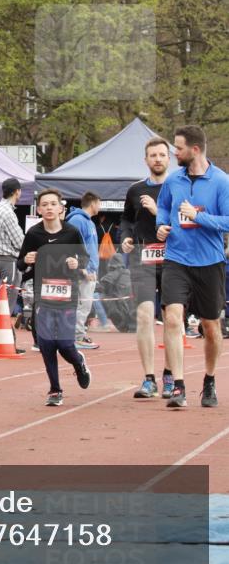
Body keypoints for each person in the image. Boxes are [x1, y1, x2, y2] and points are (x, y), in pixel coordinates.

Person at [156, 124, 229, 409]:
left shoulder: (221, 182)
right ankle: (178, 385)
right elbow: (163, 208)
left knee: (211, 327)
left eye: (179, 148)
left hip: (209, 263)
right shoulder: (173, 181)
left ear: (195, 150)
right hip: (176, 259)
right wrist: (161, 224)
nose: (175, 152)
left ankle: (209, 380)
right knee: (173, 318)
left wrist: (199, 218)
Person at [17, 188, 91, 407]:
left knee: (65, 344)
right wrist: (27, 260)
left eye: (53, 204)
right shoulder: (33, 235)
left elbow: (85, 259)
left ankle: (78, 363)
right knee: (46, 343)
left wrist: (77, 264)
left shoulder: (71, 232)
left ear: (61, 208)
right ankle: (55, 389)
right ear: (39, 209)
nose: (49, 208)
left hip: (67, 295)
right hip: (43, 295)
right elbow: (20, 264)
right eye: (45, 205)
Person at [120, 136, 173, 399]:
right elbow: (127, 220)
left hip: (174, 259)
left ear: (169, 158)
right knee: (144, 316)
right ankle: (149, 378)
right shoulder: (135, 190)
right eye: (153, 155)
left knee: (173, 320)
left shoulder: (178, 188)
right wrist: (126, 238)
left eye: (162, 155)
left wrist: (157, 211)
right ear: (146, 160)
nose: (158, 159)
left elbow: (184, 222)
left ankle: (171, 375)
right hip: (143, 258)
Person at [66, 192, 102, 349]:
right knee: (82, 305)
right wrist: (84, 269)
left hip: (90, 270)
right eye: (99, 203)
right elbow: (71, 245)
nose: (100, 207)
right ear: (93, 203)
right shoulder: (77, 220)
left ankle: (78, 334)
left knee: (85, 305)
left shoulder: (89, 222)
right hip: (82, 272)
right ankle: (76, 337)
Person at [0, 177, 25, 314]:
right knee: (8, 300)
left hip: (1, 259)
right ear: (17, 191)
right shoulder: (7, 212)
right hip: (8, 260)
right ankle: (2, 332)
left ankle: (0, 331)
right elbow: (19, 242)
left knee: (4, 299)